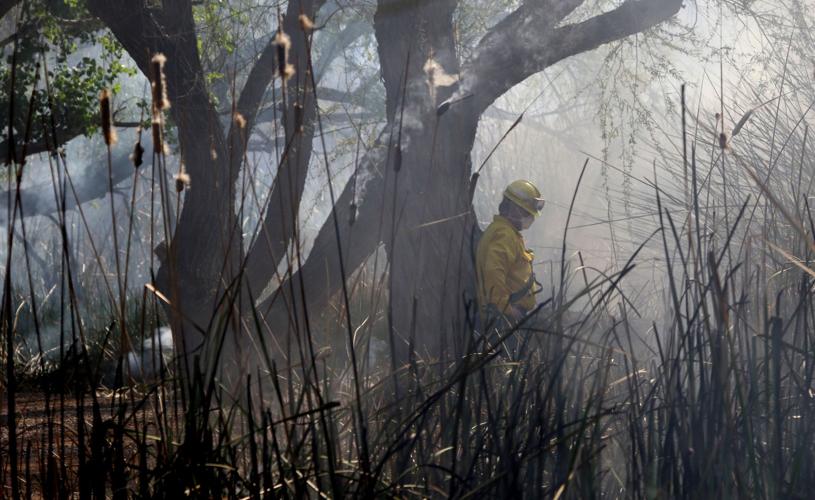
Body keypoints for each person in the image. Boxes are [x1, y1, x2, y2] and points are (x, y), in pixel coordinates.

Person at [476, 180, 544, 331]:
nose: (531, 218)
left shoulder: (507, 232)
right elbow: (493, 274)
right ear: (513, 208)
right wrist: (507, 308)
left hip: (506, 316)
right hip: (503, 320)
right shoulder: (504, 235)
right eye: (527, 213)